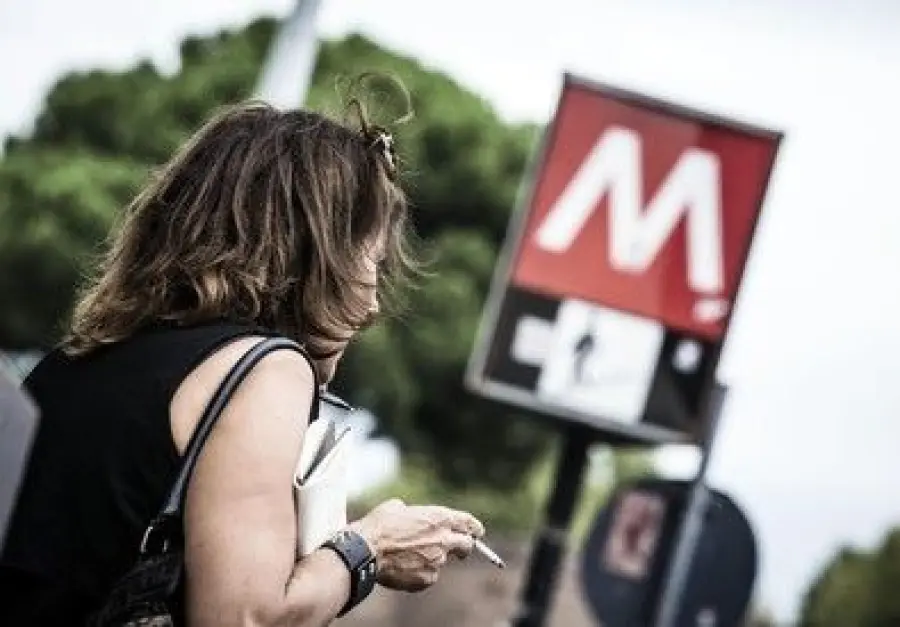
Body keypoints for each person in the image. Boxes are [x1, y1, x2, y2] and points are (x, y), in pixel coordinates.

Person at [0, 97, 486, 625]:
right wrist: (368, 549)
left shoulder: (78, 358)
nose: (372, 304)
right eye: (372, 261)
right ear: (321, 254)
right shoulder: (266, 370)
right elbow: (244, 616)